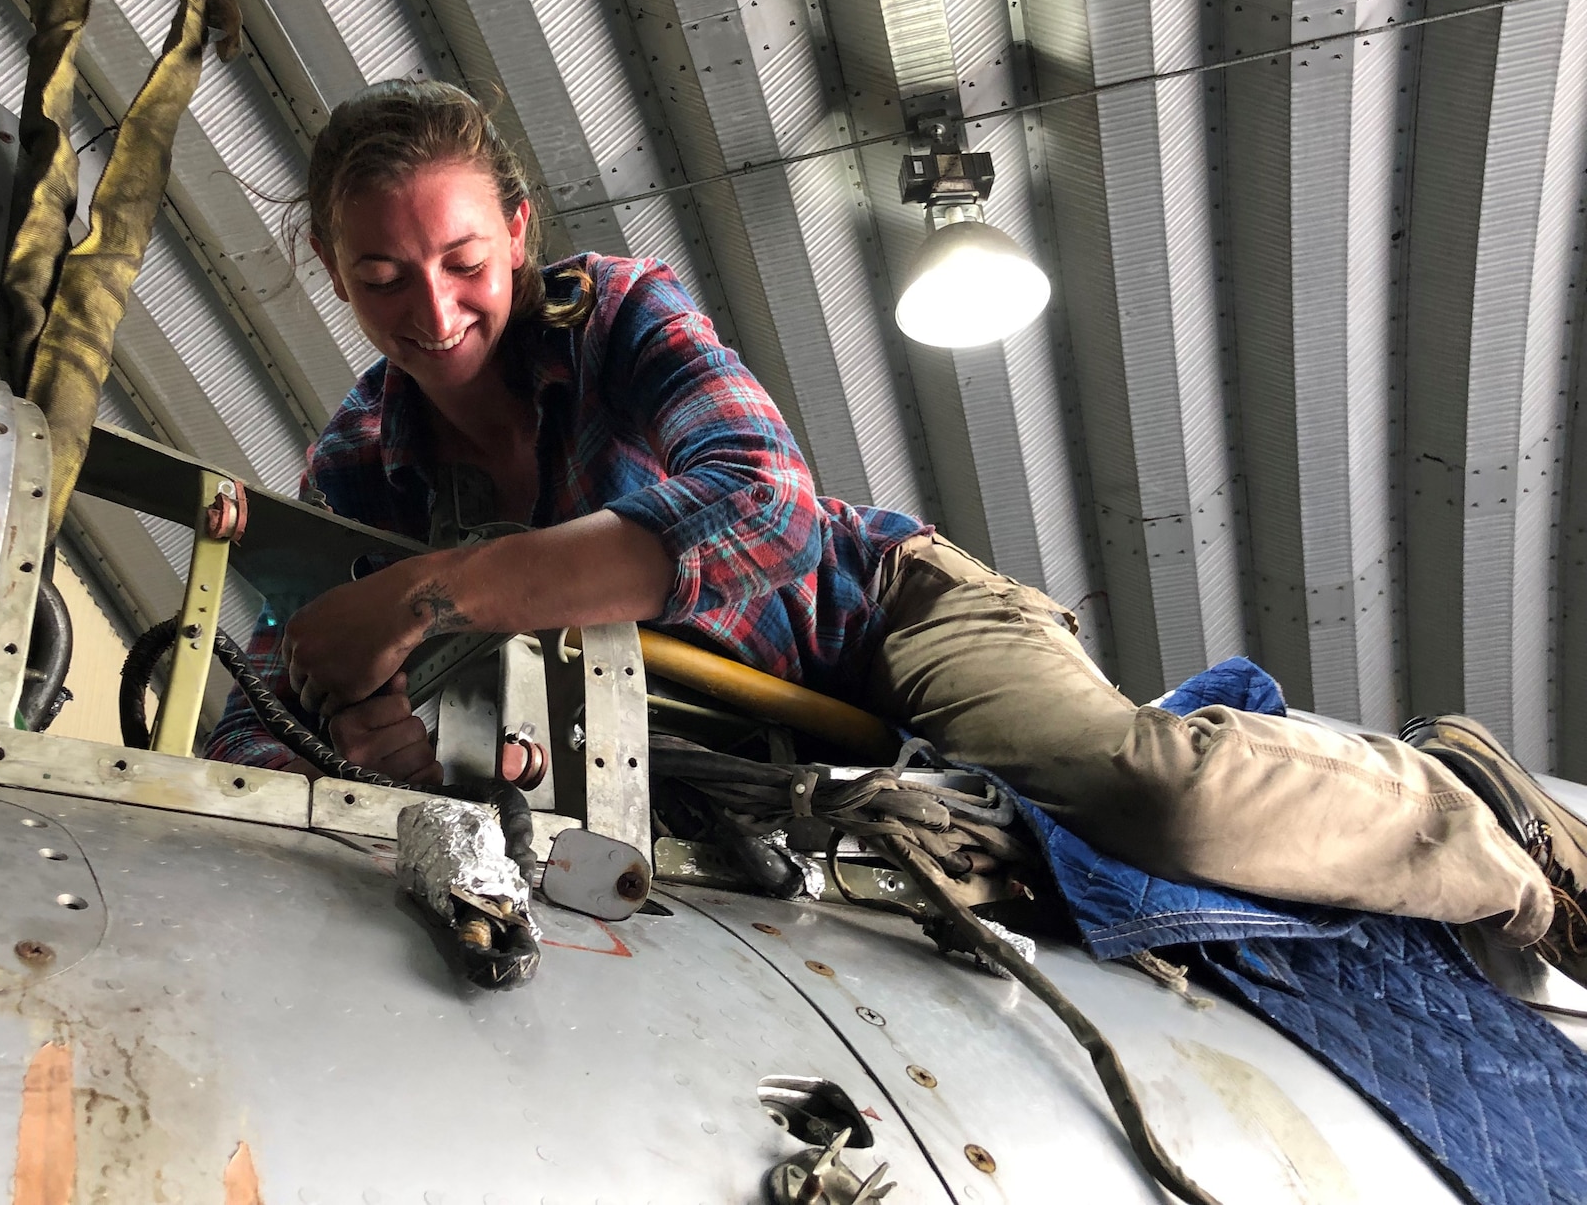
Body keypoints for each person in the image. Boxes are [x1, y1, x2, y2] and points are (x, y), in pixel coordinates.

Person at [206, 78, 1586, 983]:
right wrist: (358, 736)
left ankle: (1489, 828)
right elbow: (280, 685)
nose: (432, 308)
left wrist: (445, 595)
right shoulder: (361, 463)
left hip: (877, 621)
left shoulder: (620, 314)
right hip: (717, 751)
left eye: (461, 261)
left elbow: (764, 513)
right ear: (333, 273)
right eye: (382, 274)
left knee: (1147, 791)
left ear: (516, 232)